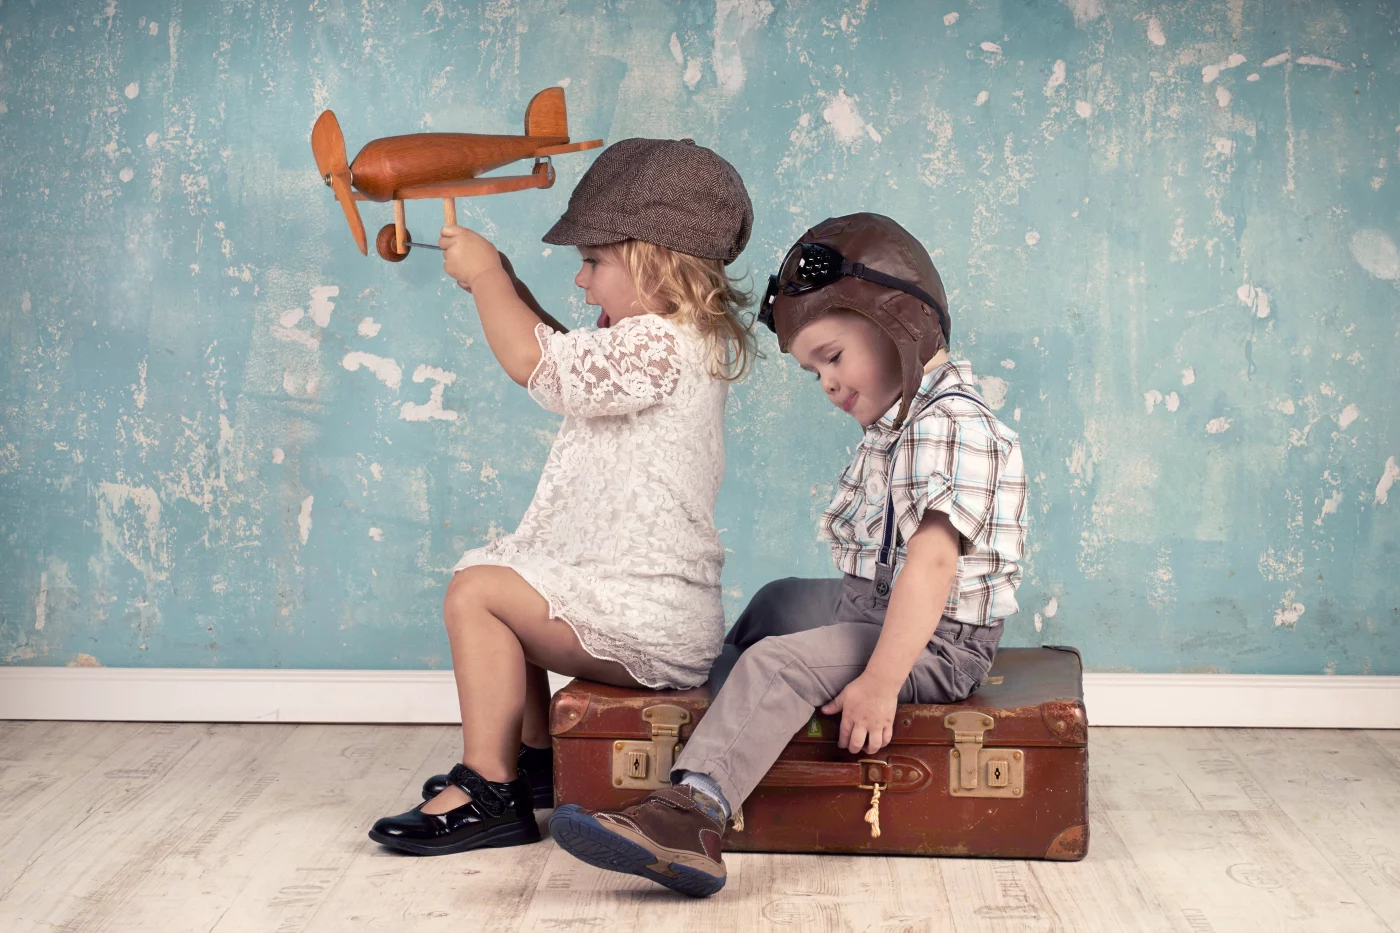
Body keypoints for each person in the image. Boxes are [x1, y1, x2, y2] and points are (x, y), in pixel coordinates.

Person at [549, 213, 1029, 896]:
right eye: (815, 372)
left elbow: (932, 566)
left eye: (833, 357)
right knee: (777, 601)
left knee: (781, 661)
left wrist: (880, 683)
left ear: (899, 322)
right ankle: (710, 714)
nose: (829, 383)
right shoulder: (908, 416)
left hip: (933, 639)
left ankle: (696, 814)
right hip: (876, 604)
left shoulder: (951, 423)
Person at [367, 138, 755, 856]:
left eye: (594, 261)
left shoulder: (659, 348)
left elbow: (536, 361)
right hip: (651, 603)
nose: (581, 281)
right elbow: (570, 352)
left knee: (476, 594)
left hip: (649, 615)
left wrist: (487, 277)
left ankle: (490, 788)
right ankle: (537, 765)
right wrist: (504, 282)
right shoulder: (670, 339)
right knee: (512, 574)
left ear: (654, 258)